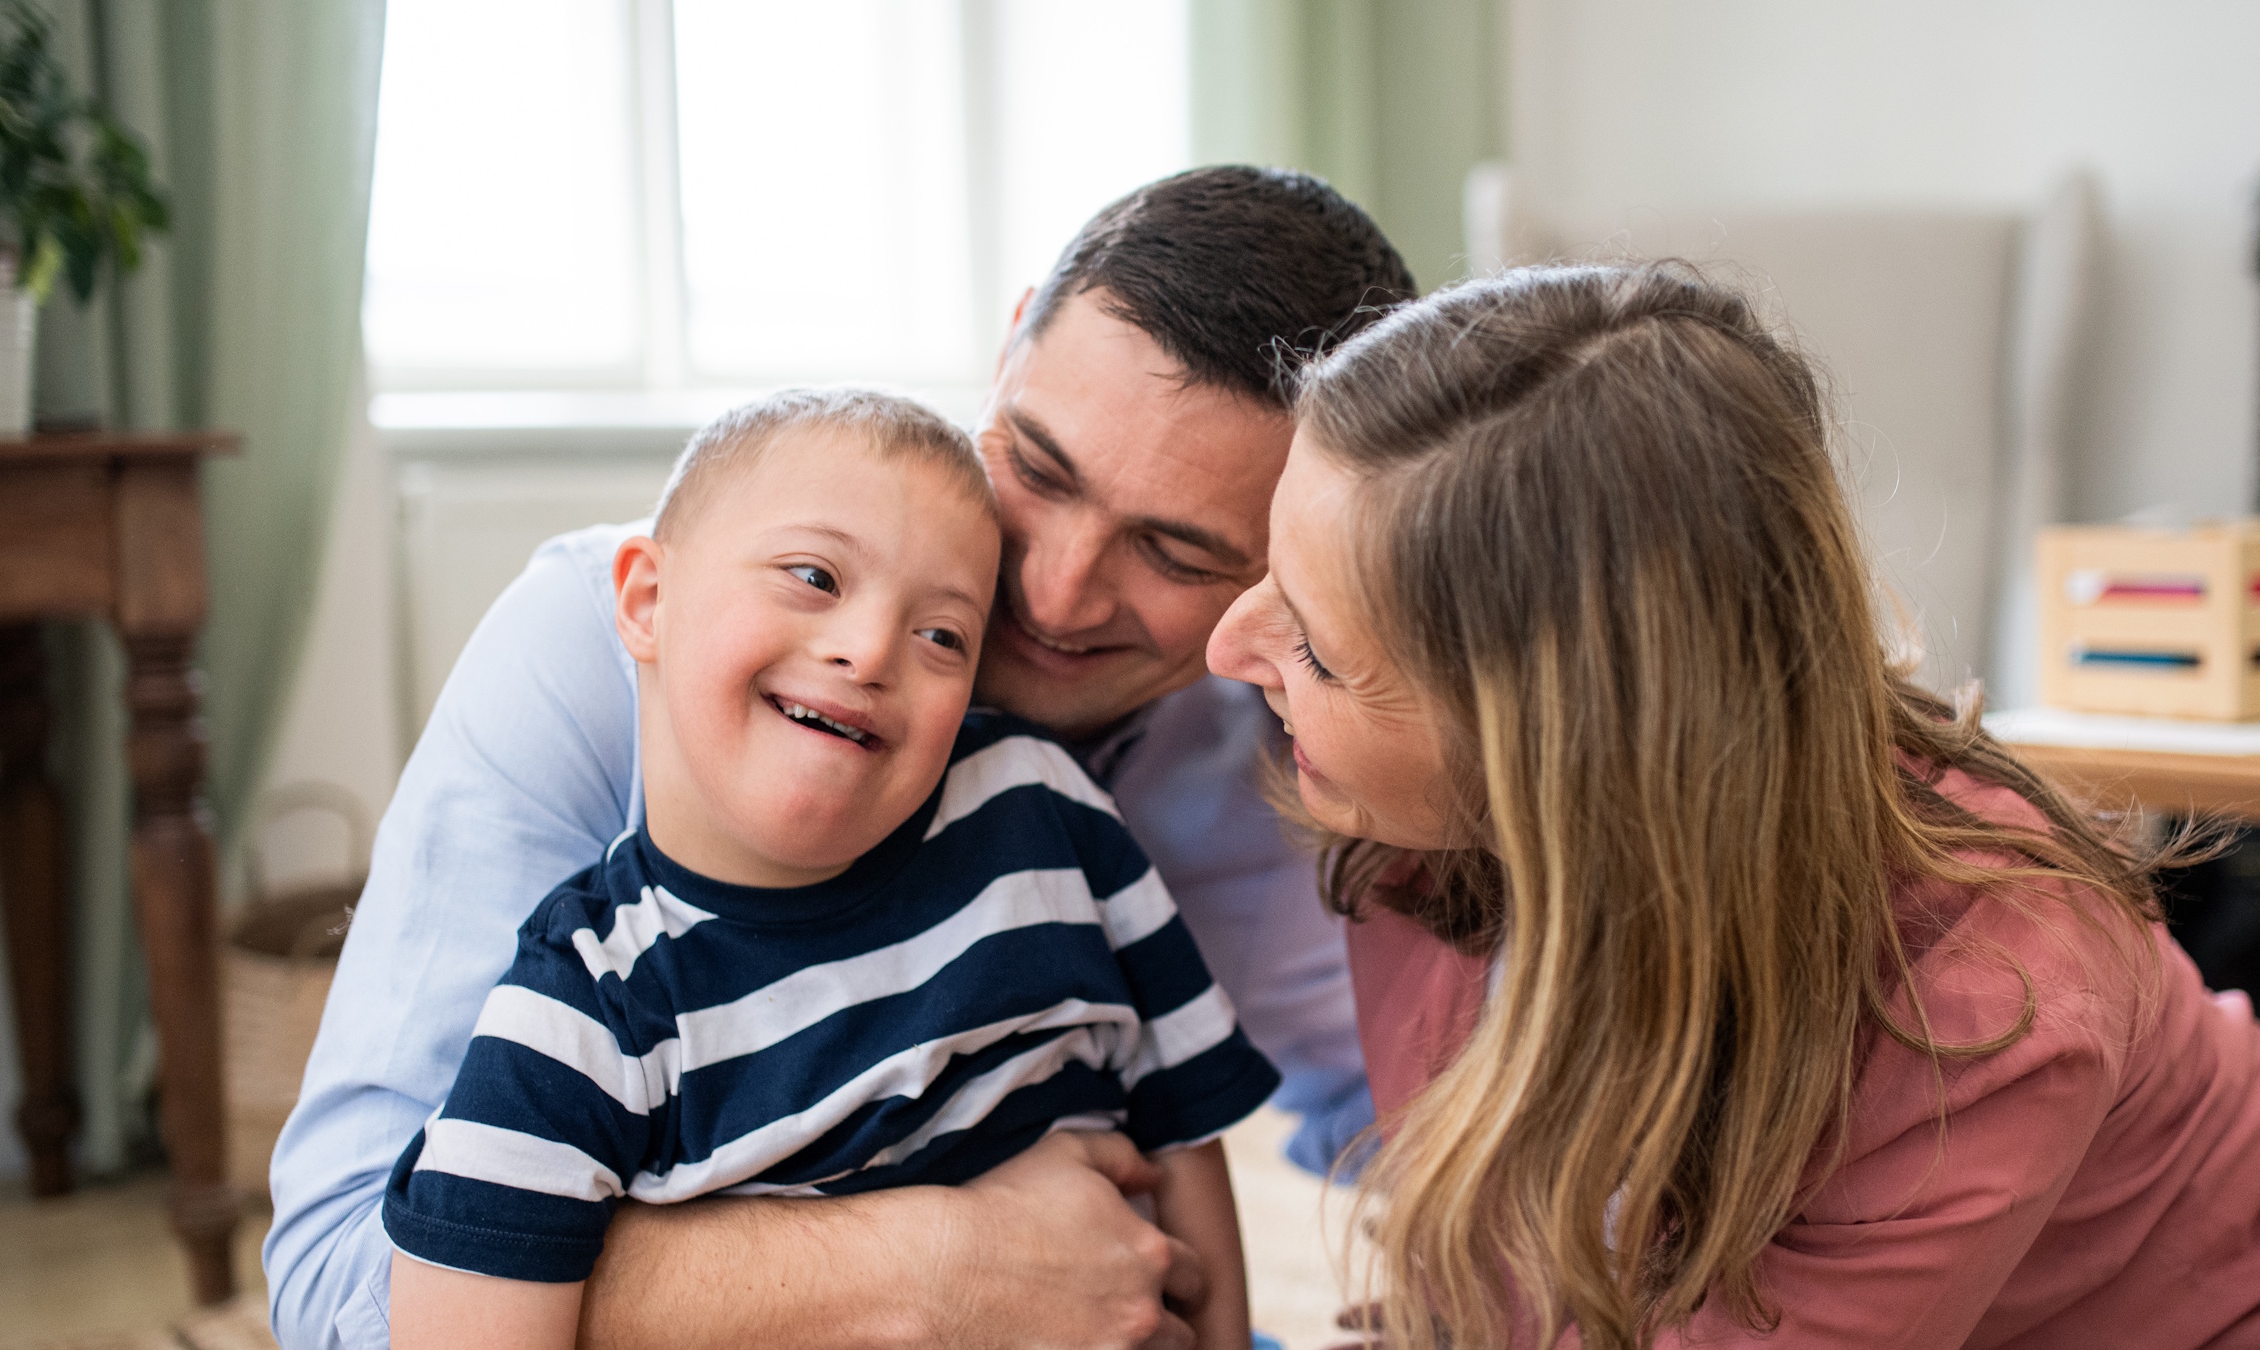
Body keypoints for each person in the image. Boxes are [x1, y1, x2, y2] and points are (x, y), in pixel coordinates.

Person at [265, 165, 1417, 1350]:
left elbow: (1432, 1117)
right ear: (1012, 341)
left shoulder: (1280, 755)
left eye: (1174, 554)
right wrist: (924, 1268)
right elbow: (338, 1279)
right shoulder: (604, 654)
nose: (1053, 591)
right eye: (1037, 467)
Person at [1206, 261, 2260, 1349]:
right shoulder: (1405, 835)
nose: (1225, 647)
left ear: (1558, 749)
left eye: (1318, 652)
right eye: (1270, 575)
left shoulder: (1990, 1012)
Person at [382, 389, 1277, 1350]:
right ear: (646, 601)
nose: (869, 650)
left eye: (944, 635)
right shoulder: (581, 1010)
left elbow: (1185, 1121)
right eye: (813, 577)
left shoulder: (1043, 808)